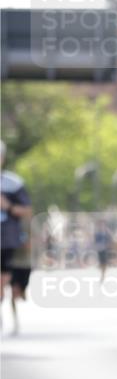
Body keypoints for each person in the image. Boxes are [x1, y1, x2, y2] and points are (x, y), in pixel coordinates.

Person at [1, 141, 33, 331]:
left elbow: (27, 210)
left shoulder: (12, 184)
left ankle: (13, 320)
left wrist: (8, 207)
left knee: (8, 282)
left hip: (7, 241)